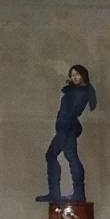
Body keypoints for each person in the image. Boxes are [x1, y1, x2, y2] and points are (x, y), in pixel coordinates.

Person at [41, 65, 96, 203]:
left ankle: (67, 193)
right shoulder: (77, 90)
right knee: (68, 157)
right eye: (72, 75)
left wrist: (64, 125)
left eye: (77, 74)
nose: (74, 77)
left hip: (66, 127)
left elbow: (72, 110)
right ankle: (68, 193)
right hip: (65, 127)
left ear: (83, 74)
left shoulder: (81, 92)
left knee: (62, 156)